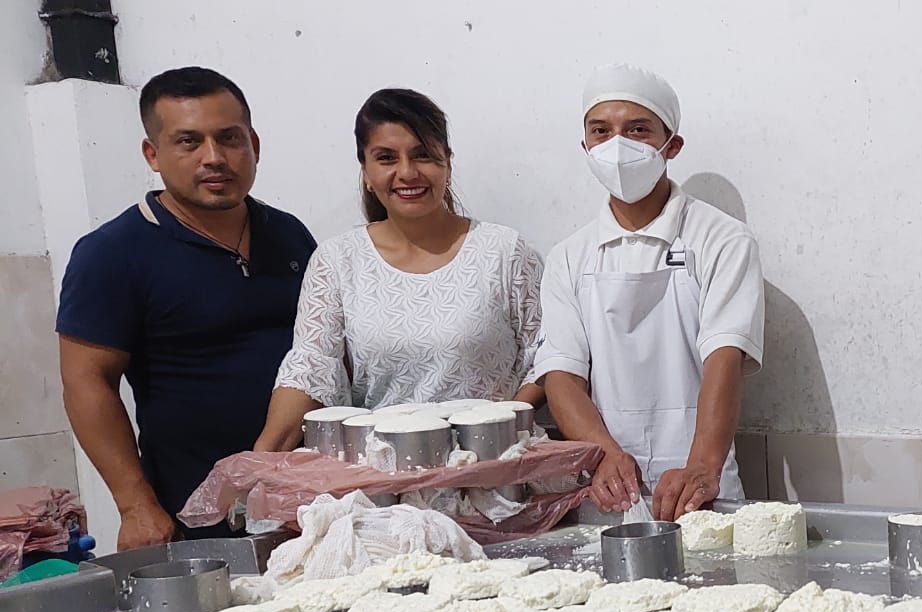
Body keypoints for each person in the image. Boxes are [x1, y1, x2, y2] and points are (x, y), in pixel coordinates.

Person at [56, 67, 316, 550]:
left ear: (254, 144)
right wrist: (135, 506)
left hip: (306, 505)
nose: (214, 157)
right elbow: (86, 382)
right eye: (189, 142)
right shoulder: (113, 253)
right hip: (194, 517)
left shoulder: (289, 234)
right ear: (152, 154)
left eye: (229, 138)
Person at [534, 64, 765, 520]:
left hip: (703, 487)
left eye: (637, 129)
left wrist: (702, 466)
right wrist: (604, 454)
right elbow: (561, 374)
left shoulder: (723, 240)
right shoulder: (569, 256)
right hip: (609, 488)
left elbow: (724, 356)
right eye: (601, 131)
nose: (617, 145)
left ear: (671, 145)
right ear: (586, 146)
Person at [255, 88, 544, 450]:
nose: (407, 172)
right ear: (366, 171)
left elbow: (547, 358)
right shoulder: (338, 260)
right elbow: (311, 368)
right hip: (387, 470)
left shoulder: (505, 252)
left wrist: (496, 431)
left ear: (447, 164)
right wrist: (265, 456)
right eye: (386, 158)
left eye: (423, 155)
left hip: (497, 462)